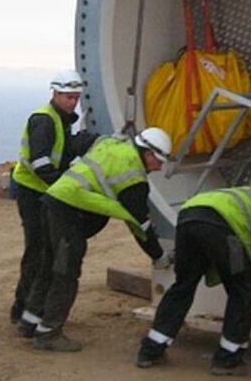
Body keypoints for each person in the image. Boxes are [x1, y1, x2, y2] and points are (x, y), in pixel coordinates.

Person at [19, 127, 174, 352]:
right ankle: (49, 333)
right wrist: (159, 256)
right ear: (148, 154)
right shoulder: (134, 177)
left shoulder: (113, 144)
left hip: (52, 201)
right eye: (159, 161)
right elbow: (140, 226)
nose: (159, 167)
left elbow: (80, 141)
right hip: (69, 214)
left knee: (49, 266)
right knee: (66, 272)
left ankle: (30, 322)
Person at [137, 183, 251, 376]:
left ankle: (150, 350)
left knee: (183, 286)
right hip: (224, 230)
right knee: (242, 292)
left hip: (187, 220)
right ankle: (228, 359)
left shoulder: (238, 194)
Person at [9, 68, 98, 326]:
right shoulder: (45, 121)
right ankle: (22, 307)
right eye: (68, 97)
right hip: (33, 192)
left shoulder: (61, 120)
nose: (73, 102)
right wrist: (67, 188)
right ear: (55, 94)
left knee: (45, 251)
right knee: (37, 252)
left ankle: (31, 308)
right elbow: (41, 165)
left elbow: (66, 148)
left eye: (76, 97)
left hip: (44, 192)